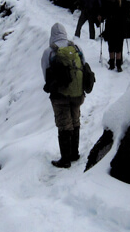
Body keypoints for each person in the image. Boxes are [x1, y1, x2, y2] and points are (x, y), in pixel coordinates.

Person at [41, 23, 85, 168]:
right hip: (77, 93)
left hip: (59, 95)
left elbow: (46, 74)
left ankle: (65, 159)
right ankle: (74, 153)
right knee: (75, 120)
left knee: (64, 123)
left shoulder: (49, 52)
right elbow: (83, 66)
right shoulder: (76, 48)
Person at [98, 0, 130, 72]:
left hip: (110, 24)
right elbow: (126, 10)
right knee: (118, 44)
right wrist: (129, 14)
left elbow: (103, 10)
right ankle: (118, 64)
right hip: (120, 25)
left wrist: (101, 16)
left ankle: (112, 64)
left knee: (111, 44)